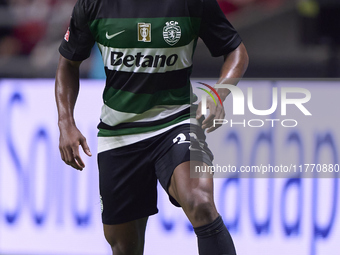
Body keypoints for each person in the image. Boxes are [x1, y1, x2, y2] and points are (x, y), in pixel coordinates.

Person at [55, 0, 248, 254]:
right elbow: (68, 64)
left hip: (176, 123)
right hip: (119, 135)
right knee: (124, 246)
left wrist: (217, 94)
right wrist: (66, 123)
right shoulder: (94, 4)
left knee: (200, 202)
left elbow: (237, 51)